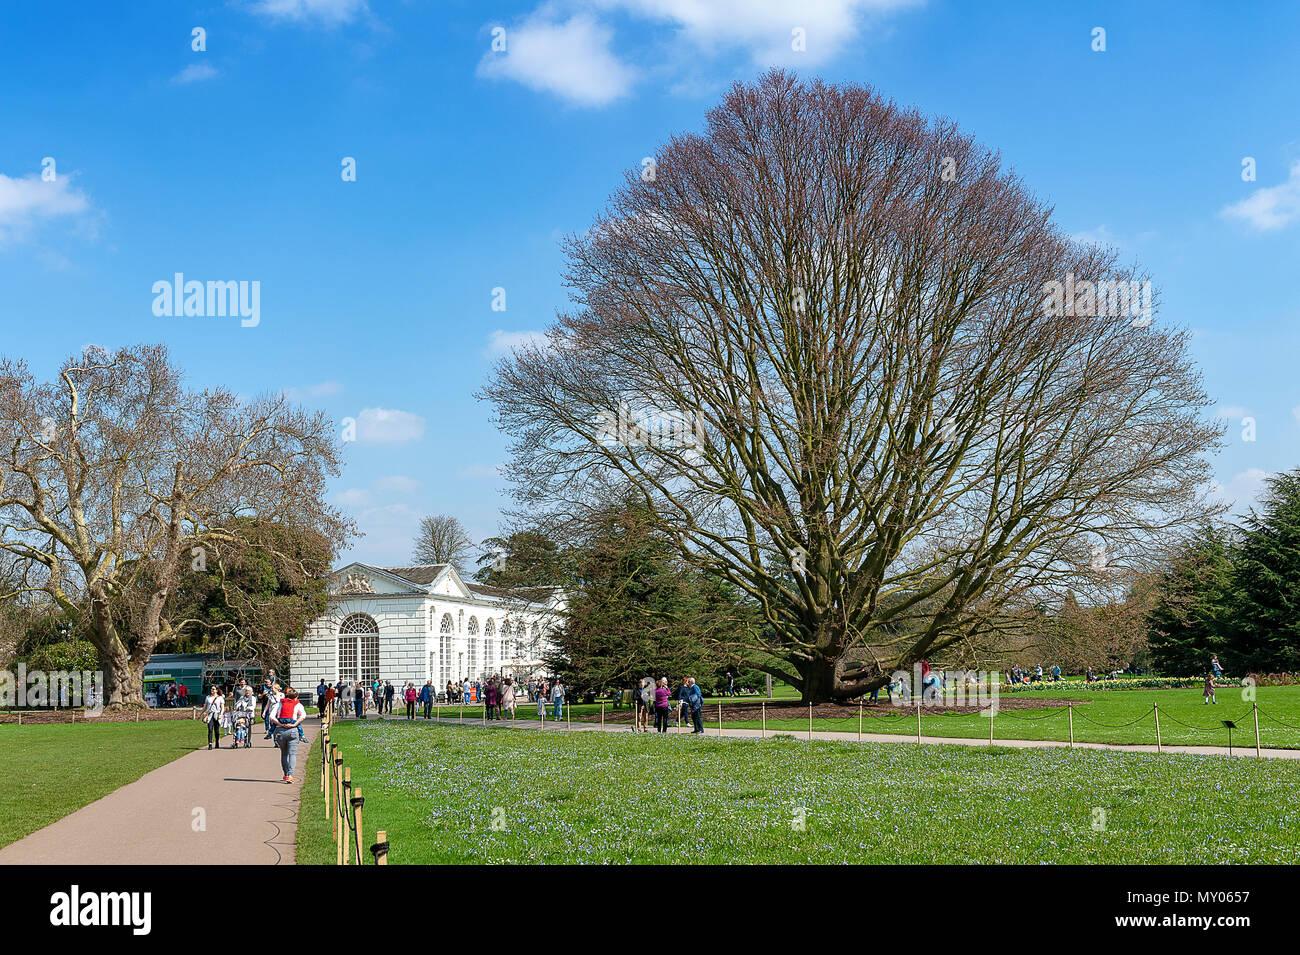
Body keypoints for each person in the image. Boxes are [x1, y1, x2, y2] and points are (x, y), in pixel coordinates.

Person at [268, 687, 306, 783]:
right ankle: (290, 775)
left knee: (284, 754)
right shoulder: (298, 704)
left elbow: (271, 716)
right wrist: (295, 724)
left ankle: (285, 774)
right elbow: (303, 716)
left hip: (280, 731)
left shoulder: (279, 704)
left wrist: (279, 724)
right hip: (292, 730)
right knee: (292, 754)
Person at [203, 684, 225, 749]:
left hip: (217, 715)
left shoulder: (220, 698)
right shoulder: (208, 697)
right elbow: (205, 706)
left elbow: (222, 707)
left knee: (216, 730)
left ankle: (217, 742)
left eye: (213, 689)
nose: (211, 690)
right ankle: (210, 744)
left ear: (217, 690)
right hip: (209, 715)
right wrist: (201, 714)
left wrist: (221, 714)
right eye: (211, 689)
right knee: (210, 729)